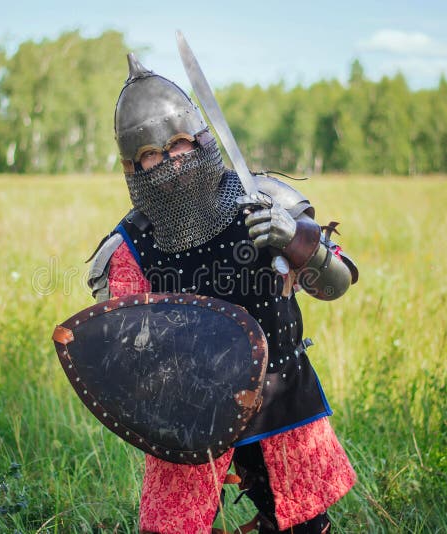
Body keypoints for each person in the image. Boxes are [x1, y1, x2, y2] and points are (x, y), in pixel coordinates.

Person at [87, 53, 359, 534]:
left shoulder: (264, 201)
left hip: (279, 391)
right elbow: (123, 356)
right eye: (151, 154)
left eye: (177, 145)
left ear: (200, 141)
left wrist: (295, 240)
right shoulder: (130, 249)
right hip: (192, 413)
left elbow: (335, 284)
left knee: (303, 527)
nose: (168, 162)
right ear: (133, 166)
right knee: (173, 528)